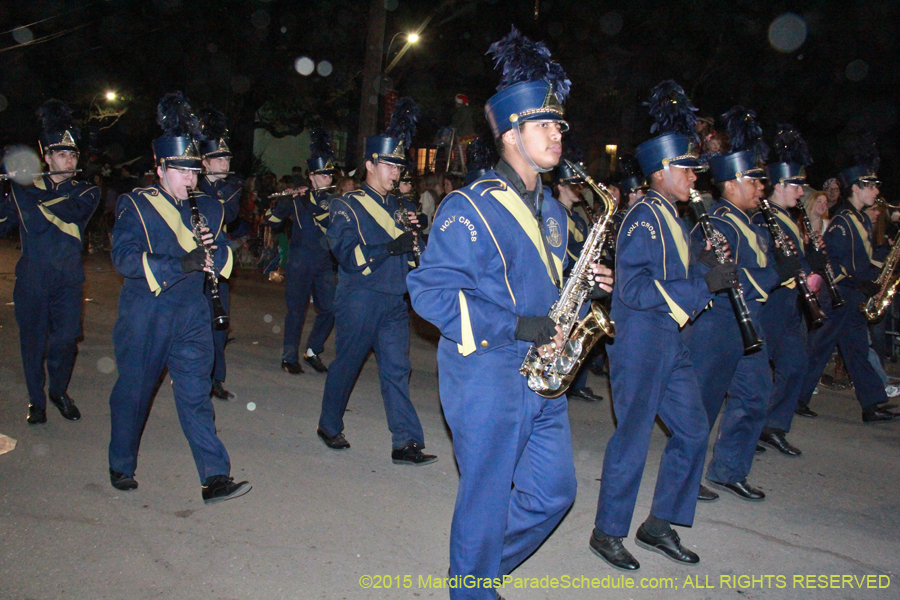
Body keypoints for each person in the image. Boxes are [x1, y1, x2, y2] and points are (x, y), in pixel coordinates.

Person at [408, 28, 613, 597]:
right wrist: (514, 325)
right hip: (486, 373)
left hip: (542, 373)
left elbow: (544, 285)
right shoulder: (467, 207)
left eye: (559, 125)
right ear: (510, 134)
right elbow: (427, 292)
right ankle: (471, 587)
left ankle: (474, 573)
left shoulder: (551, 210)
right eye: (545, 126)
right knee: (488, 493)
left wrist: (588, 287)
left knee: (554, 492)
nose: (557, 136)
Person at [589, 81, 730, 571]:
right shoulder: (643, 217)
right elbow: (635, 291)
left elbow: (677, 276)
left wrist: (708, 263)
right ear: (663, 171)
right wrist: (704, 286)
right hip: (642, 343)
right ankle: (607, 532)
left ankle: (660, 523)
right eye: (688, 170)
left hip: (672, 343)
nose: (695, 178)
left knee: (692, 431)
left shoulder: (675, 217)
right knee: (631, 438)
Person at [107, 92, 251, 504]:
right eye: (182, 170)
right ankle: (121, 462)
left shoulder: (208, 206)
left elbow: (223, 249)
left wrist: (213, 255)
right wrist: (183, 264)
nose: (191, 178)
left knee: (195, 395)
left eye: (194, 170)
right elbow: (123, 259)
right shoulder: (136, 204)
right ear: (160, 168)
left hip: (193, 313)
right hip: (146, 312)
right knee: (134, 394)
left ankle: (214, 477)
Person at [316, 97, 436, 466]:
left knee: (398, 371)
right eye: (389, 164)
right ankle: (329, 425)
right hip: (360, 298)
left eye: (399, 165)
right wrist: (390, 246)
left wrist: (419, 238)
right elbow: (348, 258)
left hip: (394, 301)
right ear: (370, 164)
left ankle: (406, 442)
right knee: (347, 364)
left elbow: (414, 256)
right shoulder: (345, 206)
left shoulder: (403, 207)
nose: (396, 172)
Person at [690, 106, 801, 502]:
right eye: (754, 180)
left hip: (749, 326)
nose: (760, 188)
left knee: (755, 396)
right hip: (719, 326)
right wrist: (779, 272)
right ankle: (686, 478)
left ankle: (729, 469)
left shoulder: (751, 223)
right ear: (732, 183)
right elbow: (734, 278)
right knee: (701, 406)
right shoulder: (716, 223)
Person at [7, 100, 99, 424]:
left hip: (68, 279)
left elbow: (67, 210)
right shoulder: (22, 190)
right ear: (46, 157)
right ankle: (36, 401)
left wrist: (24, 186)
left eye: (73, 154)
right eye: (62, 154)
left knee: (66, 339)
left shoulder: (86, 192)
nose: (70, 159)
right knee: (31, 342)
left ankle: (58, 390)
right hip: (32, 276)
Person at [797, 140, 898, 423]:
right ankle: (795, 397)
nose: (877, 192)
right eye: (872, 186)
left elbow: (863, 261)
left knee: (857, 351)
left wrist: (882, 260)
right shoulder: (842, 221)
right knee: (819, 348)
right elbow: (833, 262)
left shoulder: (861, 220)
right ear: (856, 188)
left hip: (853, 296)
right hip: (840, 295)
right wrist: (857, 282)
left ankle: (872, 403)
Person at [753, 124, 824, 456]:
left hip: (788, 308)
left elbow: (794, 259)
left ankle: (773, 426)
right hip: (768, 305)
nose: (801, 191)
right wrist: (793, 273)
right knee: (751, 379)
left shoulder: (791, 220)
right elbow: (763, 261)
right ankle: (744, 434)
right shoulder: (762, 219)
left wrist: (812, 260)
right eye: (797, 185)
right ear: (780, 184)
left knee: (795, 366)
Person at [265, 126, 337, 374]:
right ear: (312, 175)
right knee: (296, 311)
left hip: (323, 261)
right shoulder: (296, 198)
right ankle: (289, 356)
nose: (329, 179)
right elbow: (271, 222)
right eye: (324, 175)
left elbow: (329, 222)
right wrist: (283, 200)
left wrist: (306, 200)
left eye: (330, 175)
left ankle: (313, 350)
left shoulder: (333, 199)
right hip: (299, 261)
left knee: (330, 308)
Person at [197, 106, 243, 400]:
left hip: (220, 259)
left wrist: (215, 191)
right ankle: (194, 374)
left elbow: (231, 213)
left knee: (219, 320)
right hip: (193, 259)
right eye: (219, 158)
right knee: (193, 319)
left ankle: (216, 378)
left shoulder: (231, 188)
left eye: (226, 157)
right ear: (205, 162)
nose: (225, 162)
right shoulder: (190, 184)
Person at [554, 159, 603, 403]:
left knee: (577, 340)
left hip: (580, 286)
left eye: (580, 184)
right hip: (563, 284)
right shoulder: (553, 212)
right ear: (560, 185)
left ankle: (574, 383)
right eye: (573, 184)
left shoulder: (581, 218)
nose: (579, 188)